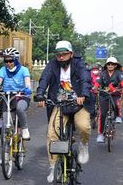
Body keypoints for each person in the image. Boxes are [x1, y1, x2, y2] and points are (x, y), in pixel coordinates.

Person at [35, 40, 93, 183]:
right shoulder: (52, 64)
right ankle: (53, 165)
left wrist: (83, 95)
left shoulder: (79, 64)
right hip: (59, 104)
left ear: (71, 54)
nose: (61, 57)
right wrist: (40, 94)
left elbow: (86, 79)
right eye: (58, 54)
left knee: (84, 127)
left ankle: (83, 146)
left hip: (79, 103)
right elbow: (44, 79)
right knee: (52, 134)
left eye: (64, 54)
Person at [0, 47, 32, 140]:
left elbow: (27, 81)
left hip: (21, 95)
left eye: (11, 60)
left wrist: (28, 88)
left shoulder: (24, 70)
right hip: (8, 96)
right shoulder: (3, 70)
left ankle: (24, 128)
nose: (8, 63)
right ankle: (7, 142)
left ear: (16, 60)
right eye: (6, 61)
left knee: (20, 109)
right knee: (5, 118)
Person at [94, 57, 123, 143]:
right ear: (106, 65)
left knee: (117, 104)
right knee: (102, 115)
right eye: (108, 64)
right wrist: (95, 87)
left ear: (115, 65)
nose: (110, 66)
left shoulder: (119, 73)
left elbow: (122, 81)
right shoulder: (102, 74)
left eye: (112, 64)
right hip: (104, 95)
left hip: (115, 94)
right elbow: (97, 82)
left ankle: (118, 116)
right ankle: (100, 134)